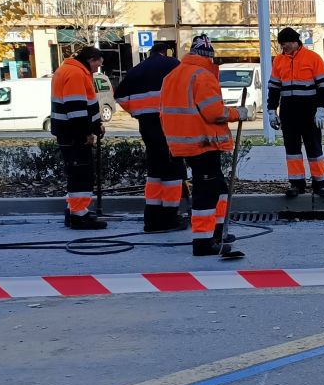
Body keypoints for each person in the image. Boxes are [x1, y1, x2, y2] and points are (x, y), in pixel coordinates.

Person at [159, 35, 243, 257]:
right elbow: (214, 113)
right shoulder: (202, 76)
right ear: (208, 56)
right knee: (206, 192)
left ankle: (217, 231)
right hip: (203, 142)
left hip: (183, 142)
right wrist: (239, 113)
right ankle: (203, 241)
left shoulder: (172, 75)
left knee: (219, 188)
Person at [115, 49, 184, 232]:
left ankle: (152, 217)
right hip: (169, 123)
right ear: (166, 52)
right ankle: (170, 217)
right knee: (172, 172)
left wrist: (137, 111)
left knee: (154, 171)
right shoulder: (173, 64)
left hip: (147, 126)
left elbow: (120, 95)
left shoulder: (136, 69)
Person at [267, 27, 324, 199]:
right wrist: (271, 110)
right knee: (292, 150)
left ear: (295, 42)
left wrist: (321, 109)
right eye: (281, 44)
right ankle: (296, 183)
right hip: (288, 112)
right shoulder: (279, 61)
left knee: (314, 148)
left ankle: (320, 183)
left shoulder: (313, 58)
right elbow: (274, 88)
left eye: (285, 43)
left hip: (309, 111)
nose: (283, 47)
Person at [51, 46, 108, 230]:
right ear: (91, 59)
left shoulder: (70, 70)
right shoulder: (76, 74)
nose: (98, 68)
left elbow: (86, 103)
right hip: (74, 133)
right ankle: (79, 214)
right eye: (98, 64)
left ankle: (74, 210)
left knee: (75, 172)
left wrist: (96, 124)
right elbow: (76, 108)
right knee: (81, 173)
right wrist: (86, 133)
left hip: (68, 132)